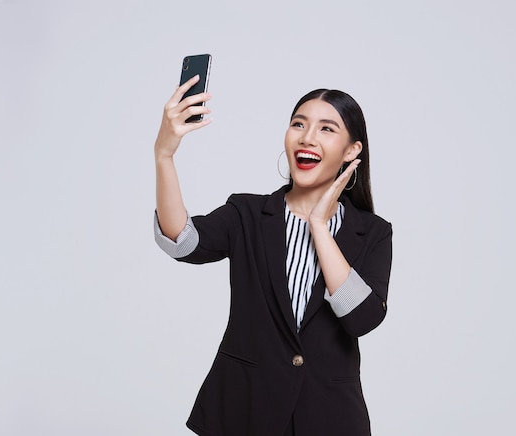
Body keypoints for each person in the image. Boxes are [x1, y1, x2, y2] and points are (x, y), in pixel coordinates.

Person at [153, 74, 393, 436]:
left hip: (329, 419)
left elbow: (361, 318)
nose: (307, 137)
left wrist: (319, 226)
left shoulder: (372, 232)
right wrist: (164, 154)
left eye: (326, 129)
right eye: (299, 123)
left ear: (351, 151)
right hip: (244, 411)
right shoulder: (247, 214)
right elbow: (182, 241)